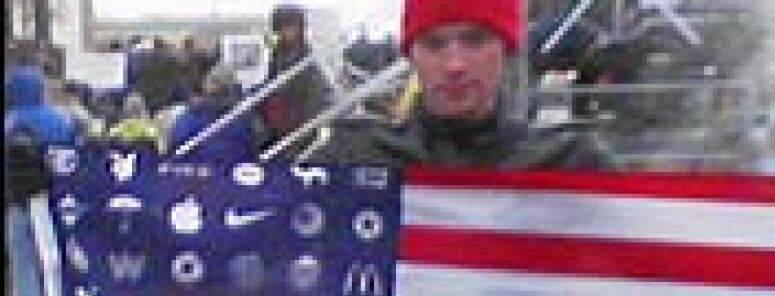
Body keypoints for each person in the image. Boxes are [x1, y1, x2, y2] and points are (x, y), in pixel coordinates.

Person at [310, 0, 612, 169]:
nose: (455, 65)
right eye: (434, 44)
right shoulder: (350, 159)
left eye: (475, 41)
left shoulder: (570, 163)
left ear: (506, 49)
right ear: (411, 55)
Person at [4, 64, 76, 296]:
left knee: (25, 269)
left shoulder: (10, 122)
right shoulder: (61, 121)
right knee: (56, 267)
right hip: (56, 202)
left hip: (20, 203)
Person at [261, 5, 331, 153]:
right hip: (276, 128)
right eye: (282, 27)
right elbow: (269, 88)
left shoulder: (307, 61)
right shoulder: (276, 57)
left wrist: (302, 133)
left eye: (291, 26)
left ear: (300, 29)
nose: (286, 32)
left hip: (299, 131)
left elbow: (316, 99)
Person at [168, 64, 263, 161]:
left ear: (209, 85)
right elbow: (256, 141)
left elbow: (177, 142)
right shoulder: (246, 113)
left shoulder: (194, 113)